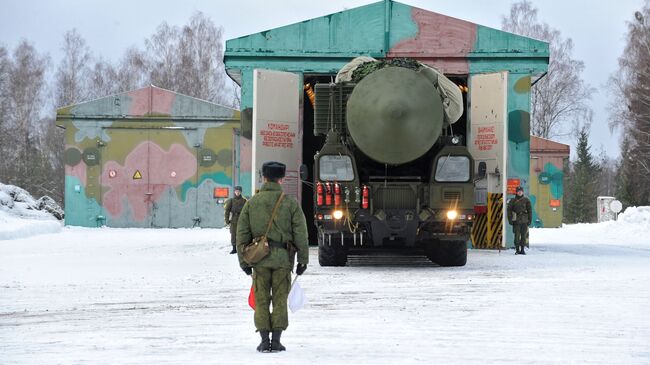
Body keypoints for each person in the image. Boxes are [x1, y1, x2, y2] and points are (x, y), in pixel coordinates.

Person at [236, 161, 309, 353]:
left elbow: (241, 233)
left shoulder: (252, 202)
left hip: (259, 260)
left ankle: (263, 340)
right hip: (283, 260)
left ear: (263, 178)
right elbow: (301, 233)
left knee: (261, 299)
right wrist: (303, 260)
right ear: (282, 179)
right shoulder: (290, 203)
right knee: (279, 299)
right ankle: (276, 341)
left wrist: (243, 261)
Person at [507, 186, 532, 255]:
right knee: (516, 236)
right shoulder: (512, 201)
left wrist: (530, 220)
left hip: (524, 221)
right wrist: (510, 220)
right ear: (516, 192)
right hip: (516, 221)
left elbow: (530, 211)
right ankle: (517, 250)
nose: (519, 192)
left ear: (523, 192)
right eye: (518, 191)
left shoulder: (526, 200)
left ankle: (523, 250)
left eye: (521, 191)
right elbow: (509, 211)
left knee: (523, 236)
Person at [224, 186, 247, 254]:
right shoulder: (231, 200)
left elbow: (247, 211)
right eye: (236, 191)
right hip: (234, 219)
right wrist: (227, 220)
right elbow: (227, 211)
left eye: (239, 191)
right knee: (233, 234)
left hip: (242, 220)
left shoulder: (244, 201)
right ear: (234, 192)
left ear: (241, 192)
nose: (237, 192)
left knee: (242, 234)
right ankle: (234, 248)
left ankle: (241, 248)